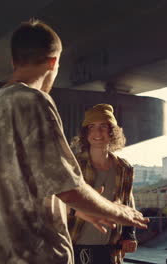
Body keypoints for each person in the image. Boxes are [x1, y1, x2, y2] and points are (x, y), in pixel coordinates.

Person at [0, 19, 148, 264]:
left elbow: (27, 187)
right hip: (37, 254)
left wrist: (80, 210)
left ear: (14, 60)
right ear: (53, 62)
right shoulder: (33, 100)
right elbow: (68, 186)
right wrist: (120, 211)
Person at [68, 104, 138, 264]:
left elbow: (128, 203)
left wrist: (129, 234)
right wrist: (78, 210)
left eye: (103, 127)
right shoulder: (73, 165)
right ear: (85, 133)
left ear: (112, 131)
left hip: (110, 250)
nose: (97, 133)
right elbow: (55, 203)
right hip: (75, 246)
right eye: (91, 127)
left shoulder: (124, 168)